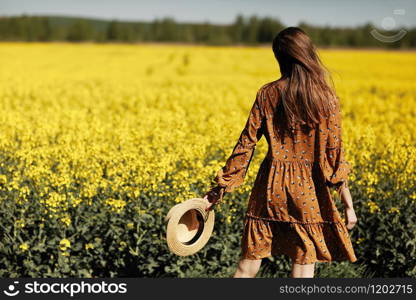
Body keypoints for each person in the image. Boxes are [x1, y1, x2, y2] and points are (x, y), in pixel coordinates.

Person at [203, 27, 358, 278]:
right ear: (307, 54)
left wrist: (218, 190)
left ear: (280, 57)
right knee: (303, 265)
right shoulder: (325, 97)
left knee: (247, 265)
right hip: (307, 191)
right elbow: (334, 155)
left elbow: (246, 144)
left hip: (269, 187)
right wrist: (347, 204)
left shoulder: (267, 93)